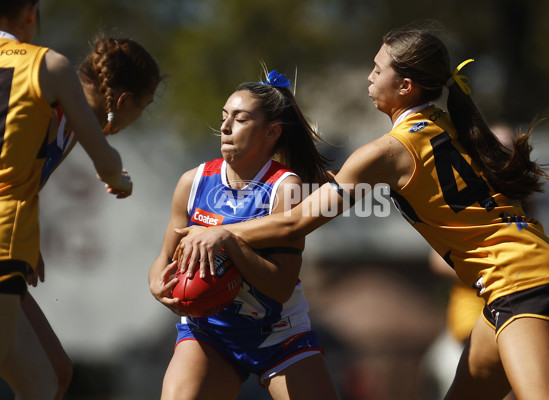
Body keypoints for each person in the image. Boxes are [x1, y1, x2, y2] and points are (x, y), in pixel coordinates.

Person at [174, 28, 549, 400]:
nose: (369, 76)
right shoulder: (443, 124)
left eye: (377, 68)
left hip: (522, 282)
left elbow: (297, 221)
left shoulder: (388, 151)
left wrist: (224, 234)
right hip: (515, 280)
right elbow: (335, 183)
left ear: (405, 86)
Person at [149, 69, 339, 400]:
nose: (224, 127)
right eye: (224, 117)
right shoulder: (192, 182)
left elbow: (281, 286)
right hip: (209, 333)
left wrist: (229, 241)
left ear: (271, 132)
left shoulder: (285, 188)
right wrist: (156, 283)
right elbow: (164, 259)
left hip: (280, 334)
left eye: (240, 119)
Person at [0, 1, 138, 398]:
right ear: (30, 12)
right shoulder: (45, 69)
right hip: (4, 236)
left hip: (14, 239)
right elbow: (108, 164)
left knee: (49, 377)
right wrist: (118, 178)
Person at [19, 36, 160, 400]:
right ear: (124, 101)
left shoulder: (72, 127)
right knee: (45, 376)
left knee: (54, 372)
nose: (135, 119)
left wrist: (28, 240)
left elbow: (26, 185)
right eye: (143, 107)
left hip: (9, 247)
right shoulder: (50, 108)